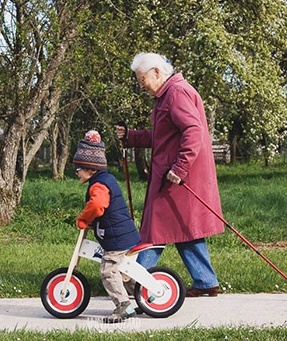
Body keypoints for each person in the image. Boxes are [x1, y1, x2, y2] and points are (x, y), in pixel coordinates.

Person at [115, 52, 224, 297]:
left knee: (156, 229)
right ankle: (206, 281)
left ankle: (137, 280)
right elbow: (163, 137)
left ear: (156, 72)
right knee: (182, 227)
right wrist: (132, 136)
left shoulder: (176, 93)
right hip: (173, 174)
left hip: (178, 177)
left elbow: (193, 131)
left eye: (142, 78)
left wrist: (180, 168)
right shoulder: (167, 95)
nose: (140, 84)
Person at [73, 130, 142, 323]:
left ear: (90, 168)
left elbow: (97, 205)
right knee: (124, 272)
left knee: (108, 270)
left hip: (117, 238)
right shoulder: (105, 179)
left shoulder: (98, 185)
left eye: (78, 168)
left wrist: (84, 219)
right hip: (122, 234)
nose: (77, 172)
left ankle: (124, 306)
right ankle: (144, 297)